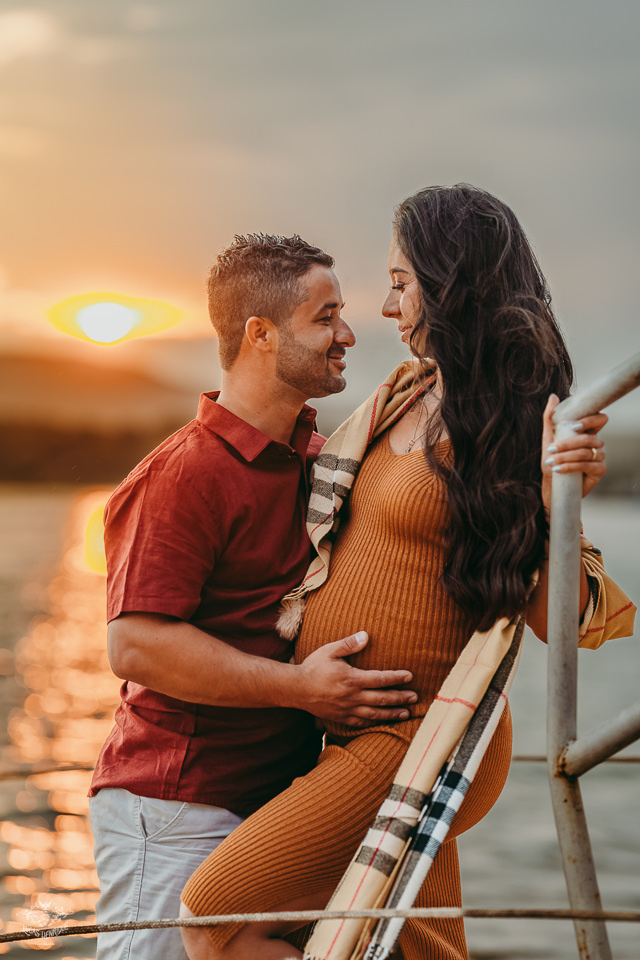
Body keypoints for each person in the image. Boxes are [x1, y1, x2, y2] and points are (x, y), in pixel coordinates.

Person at [179, 186, 636, 960]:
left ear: (450, 282)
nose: (388, 310)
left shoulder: (513, 420)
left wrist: (561, 495)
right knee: (418, 951)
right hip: (362, 731)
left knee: (215, 919)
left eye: (401, 283)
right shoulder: (406, 394)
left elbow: (557, 620)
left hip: (424, 732)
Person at [88, 233, 419, 960]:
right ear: (260, 335)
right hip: (178, 809)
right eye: (325, 316)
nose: (348, 334)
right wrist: (303, 689)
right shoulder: (184, 474)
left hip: (281, 808)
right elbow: (137, 644)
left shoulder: (318, 460)